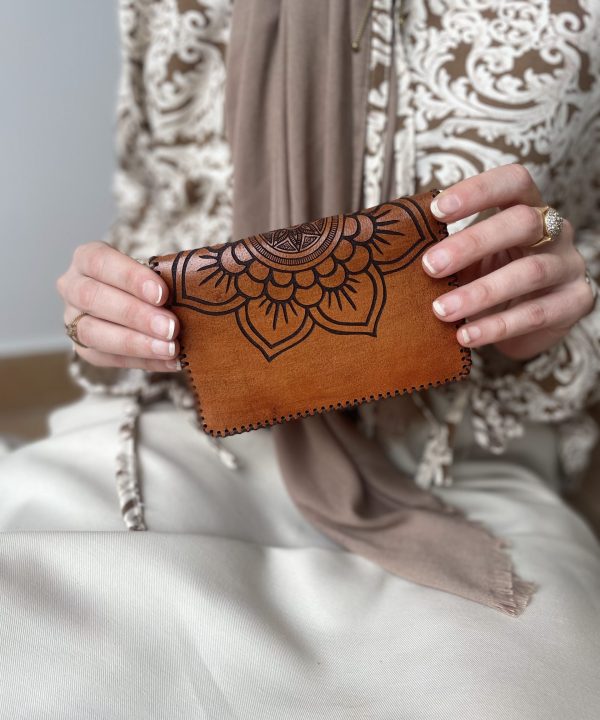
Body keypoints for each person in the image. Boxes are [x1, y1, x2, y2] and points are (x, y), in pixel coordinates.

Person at [1, 1, 599, 717]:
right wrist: (104, 311)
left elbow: (575, 255)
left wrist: (557, 308)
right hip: (193, 431)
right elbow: (148, 211)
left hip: (467, 457)